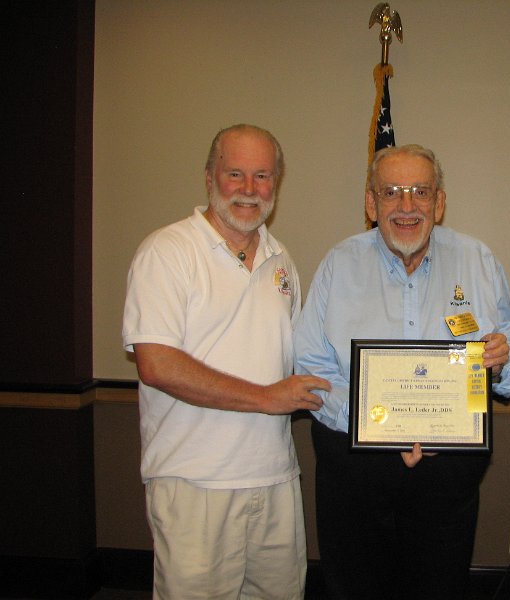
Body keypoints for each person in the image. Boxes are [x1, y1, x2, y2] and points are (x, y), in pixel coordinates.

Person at [293, 144, 510, 600]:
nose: (406, 206)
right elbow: (311, 366)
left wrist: (503, 357)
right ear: (370, 202)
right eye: (392, 191)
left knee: (439, 588)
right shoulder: (339, 264)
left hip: (448, 478)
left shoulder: (478, 260)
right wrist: (382, 430)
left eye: (420, 191)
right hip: (355, 471)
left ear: (439, 203)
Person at [122, 124, 330, 600]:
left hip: (275, 477)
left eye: (262, 176)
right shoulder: (168, 251)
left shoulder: (282, 262)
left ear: (276, 184)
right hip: (195, 482)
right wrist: (265, 397)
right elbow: (156, 363)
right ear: (209, 177)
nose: (249, 189)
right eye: (235, 173)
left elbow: (301, 354)